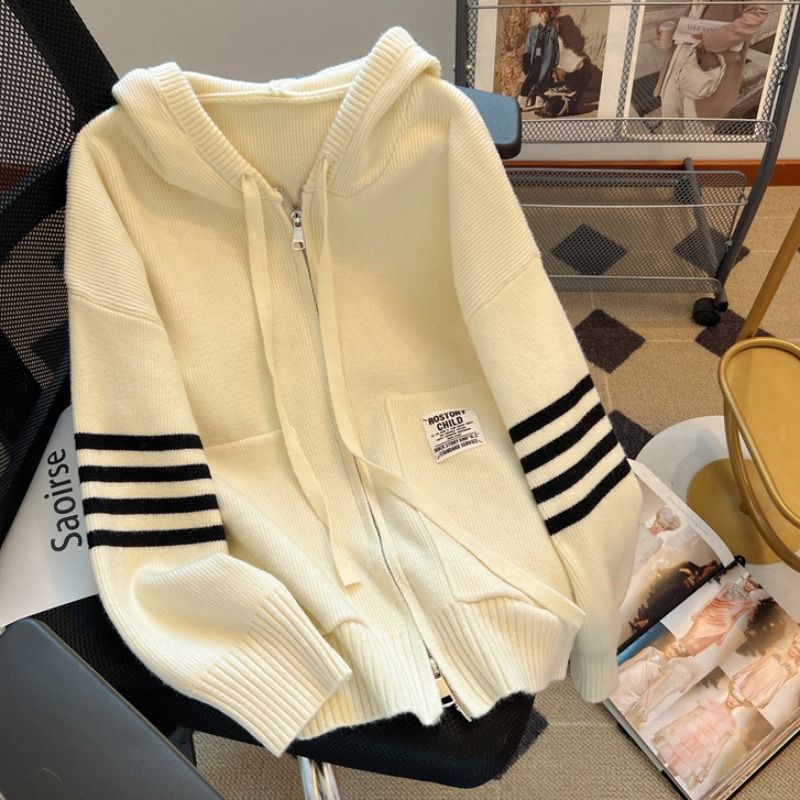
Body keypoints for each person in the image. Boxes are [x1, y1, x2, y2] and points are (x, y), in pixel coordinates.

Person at [654, 2, 769, 121]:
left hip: (708, 65)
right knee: (670, 117)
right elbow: (696, 13)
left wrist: (714, 40)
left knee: (695, 125)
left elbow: (757, 14)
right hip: (678, 56)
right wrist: (675, 28)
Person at [652, 680, 747, 790]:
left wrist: (706, 770)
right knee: (656, 762)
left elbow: (718, 748)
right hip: (683, 737)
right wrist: (665, 729)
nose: (733, 700)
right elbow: (688, 716)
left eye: (738, 701)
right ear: (729, 692)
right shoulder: (711, 704)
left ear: (741, 705)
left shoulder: (732, 724)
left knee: (668, 777)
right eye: (733, 695)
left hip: (697, 751)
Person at [732, 631, 800, 709]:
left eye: (799, 651)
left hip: (764, 690)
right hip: (753, 680)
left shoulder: (794, 670)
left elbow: (780, 685)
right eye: (795, 647)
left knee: (745, 707)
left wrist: (769, 699)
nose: (795, 651)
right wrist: (740, 672)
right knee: (737, 699)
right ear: (792, 644)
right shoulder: (774, 651)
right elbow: (757, 663)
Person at [518, 7, 560, 110]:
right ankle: (520, 104)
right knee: (529, 80)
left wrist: (555, 63)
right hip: (536, 59)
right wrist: (526, 62)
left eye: (547, 14)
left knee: (542, 81)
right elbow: (528, 46)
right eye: (544, 14)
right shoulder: (533, 30)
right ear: (540, 15)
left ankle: (539, 104)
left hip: (547, 60)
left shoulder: (553, 30)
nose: (546, 16)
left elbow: (556, 48)